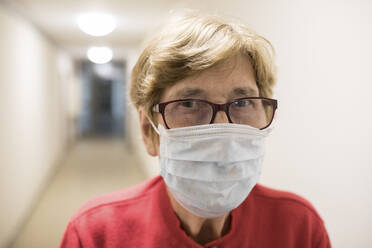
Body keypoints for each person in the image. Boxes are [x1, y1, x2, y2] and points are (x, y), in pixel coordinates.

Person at [60, 11, 331, 248]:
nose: (223, 130)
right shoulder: (96, 233)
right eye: (189, 103)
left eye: (243, 102)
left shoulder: (299, 227)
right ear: (148, 130)